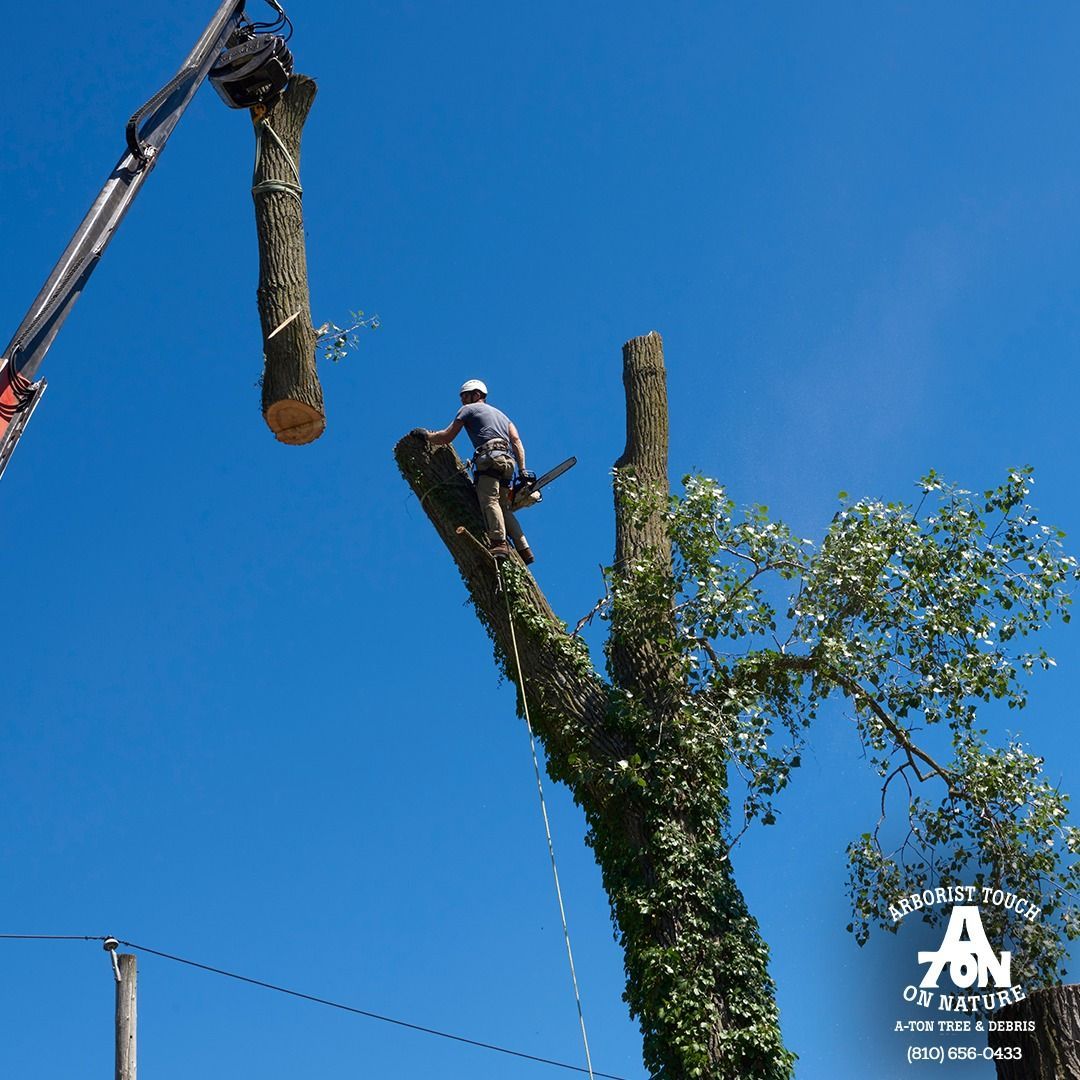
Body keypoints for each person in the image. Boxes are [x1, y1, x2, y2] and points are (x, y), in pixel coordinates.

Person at [421, 379, 536, 563]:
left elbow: (446, 436)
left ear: (476, 395)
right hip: (508, 461)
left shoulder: (468, 410)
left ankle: (498, 543)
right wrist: (522, 469)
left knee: (489, 500)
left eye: (465, 396)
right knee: (503, 507)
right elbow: (516, 441)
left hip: (489, 458)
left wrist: (426, 436)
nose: (463, 401)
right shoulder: (503, 416)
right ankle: (524, 549)